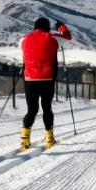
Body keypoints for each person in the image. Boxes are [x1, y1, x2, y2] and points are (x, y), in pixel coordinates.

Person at [19, 17, 72, 150]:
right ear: (47, 27)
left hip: (30, 79)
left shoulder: (23, 39)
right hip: (47, 78)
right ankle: (49, 138)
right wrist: (61, 26)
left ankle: (24, 138)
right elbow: (67, 37)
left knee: (31, 110)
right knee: (46, 108)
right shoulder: (52, 37)